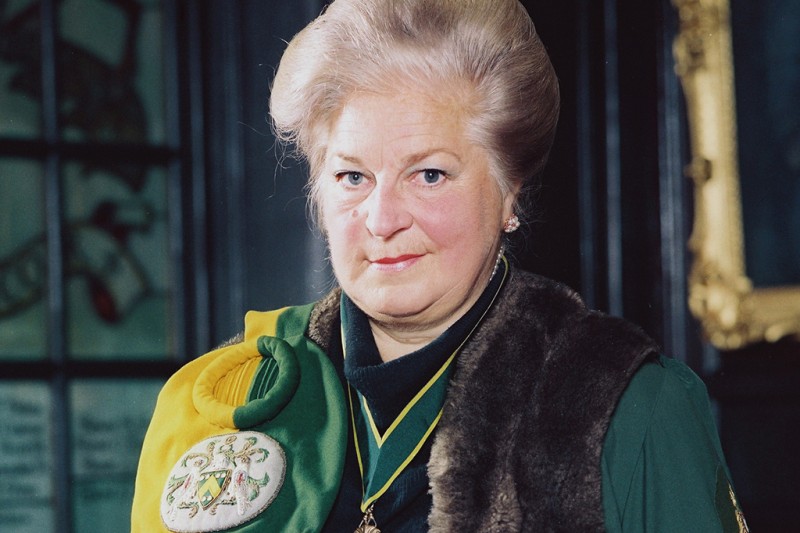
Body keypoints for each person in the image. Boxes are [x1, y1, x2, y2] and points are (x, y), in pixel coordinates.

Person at [131, 0, 748, 531]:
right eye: (352, 176)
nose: (382, 217)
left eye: (429, 175)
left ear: (510, 193)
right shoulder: (222, 399)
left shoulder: (629, 409)